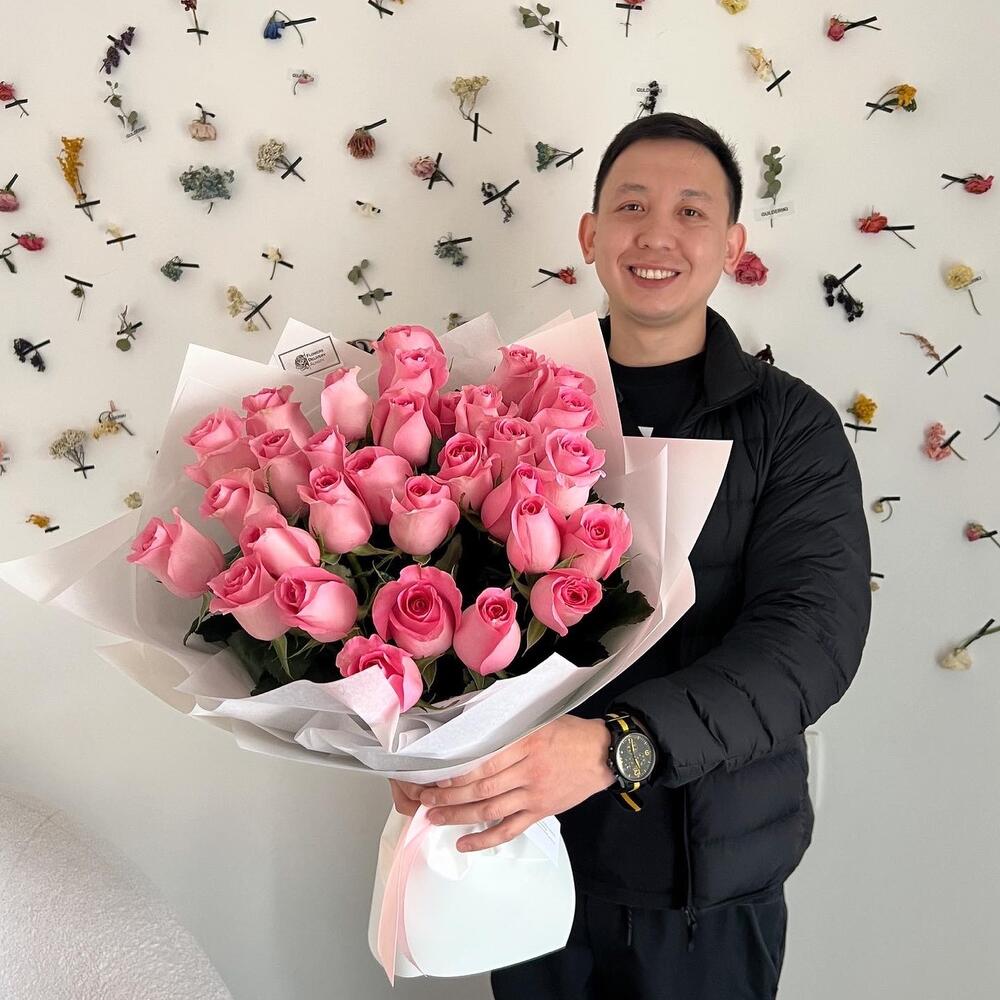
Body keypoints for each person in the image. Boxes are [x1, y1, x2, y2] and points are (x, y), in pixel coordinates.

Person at [390, 112, 872, 999]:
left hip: (705, 891)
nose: (657, 234)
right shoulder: (511, 412)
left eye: (691, 212)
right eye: (631, 206)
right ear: (590, 235)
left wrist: (619, 746)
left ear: (732, 245)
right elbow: (440, 603)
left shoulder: (790, 427)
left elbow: (808, 645)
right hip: (527, 860)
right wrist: (421, 749)